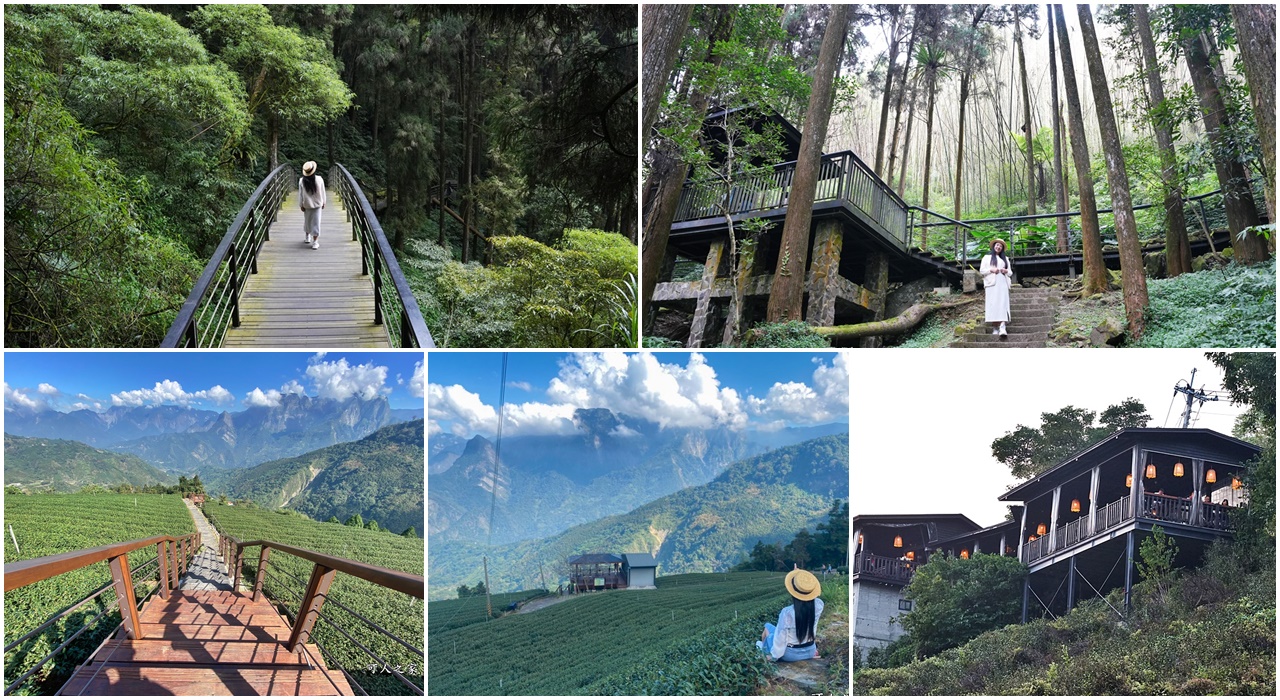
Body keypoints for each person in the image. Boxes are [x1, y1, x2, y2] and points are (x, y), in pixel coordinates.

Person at [757, 568, 823, 663]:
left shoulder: (787, 613)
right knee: (769, 627)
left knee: (767, 628)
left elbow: (781, 640)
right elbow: (813, 598)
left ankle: (764, 651)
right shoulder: (819, 606)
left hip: (791, 655)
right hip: (810, 650)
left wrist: (773, 657)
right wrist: (801, 577)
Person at [980, 239, 1013, 337]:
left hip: (1002, 282)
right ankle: (995, 327)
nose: (998, 247)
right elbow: (982, 271)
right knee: (993, 304)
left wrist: (1005, 271)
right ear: (994, 246)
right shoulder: (986, 257)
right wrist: (991, 269)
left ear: (1002, 249)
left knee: (1003, 303)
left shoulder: (1005, 259)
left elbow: (1010, 272)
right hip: (991, 283)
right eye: (997, 245)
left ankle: (1002, 327)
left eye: (1000, 246)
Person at [299, 161, 327, 250]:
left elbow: (300, 194)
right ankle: (315, 242)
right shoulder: (319, 179)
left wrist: (301, 205)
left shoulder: (301, 181)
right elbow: (323, 192)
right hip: (317, 204)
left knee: (307, 220)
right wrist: (324, 202)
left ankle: (307, 237)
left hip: (306, 205)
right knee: (316, 222)